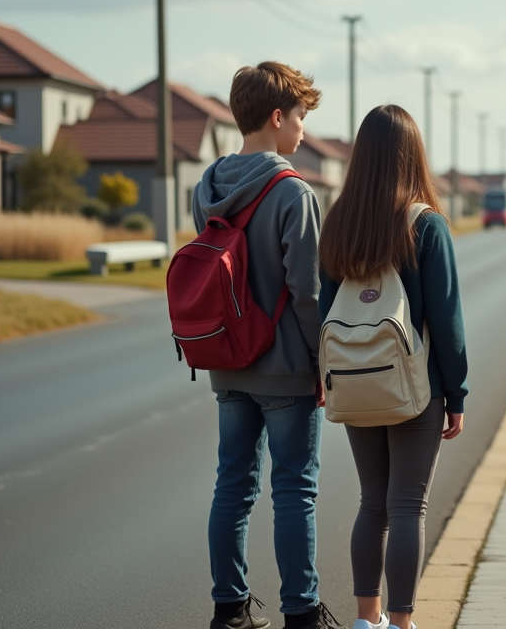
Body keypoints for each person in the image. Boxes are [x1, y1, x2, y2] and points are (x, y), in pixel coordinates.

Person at [192, 62, 339, 629]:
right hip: (283, 370)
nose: (303, 130)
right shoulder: (291, 193)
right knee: (294, 489)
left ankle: (228, 610)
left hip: (227, 363)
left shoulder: (207, 187)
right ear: (277, 117)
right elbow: (308, 293)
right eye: (300, 117)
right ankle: (300, 612)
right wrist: (320, 366)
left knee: (232, 483)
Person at [317, 104, 469, 629]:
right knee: (408, 506)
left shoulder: (338, 224)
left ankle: (367, 619)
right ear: (413, 156)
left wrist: (327, 378)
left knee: (372, 504)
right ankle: (402, 623)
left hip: (356, 382)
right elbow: (446, 322)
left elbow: (324, 311)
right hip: (412, 387)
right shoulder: (425, 225)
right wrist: (457, 395)